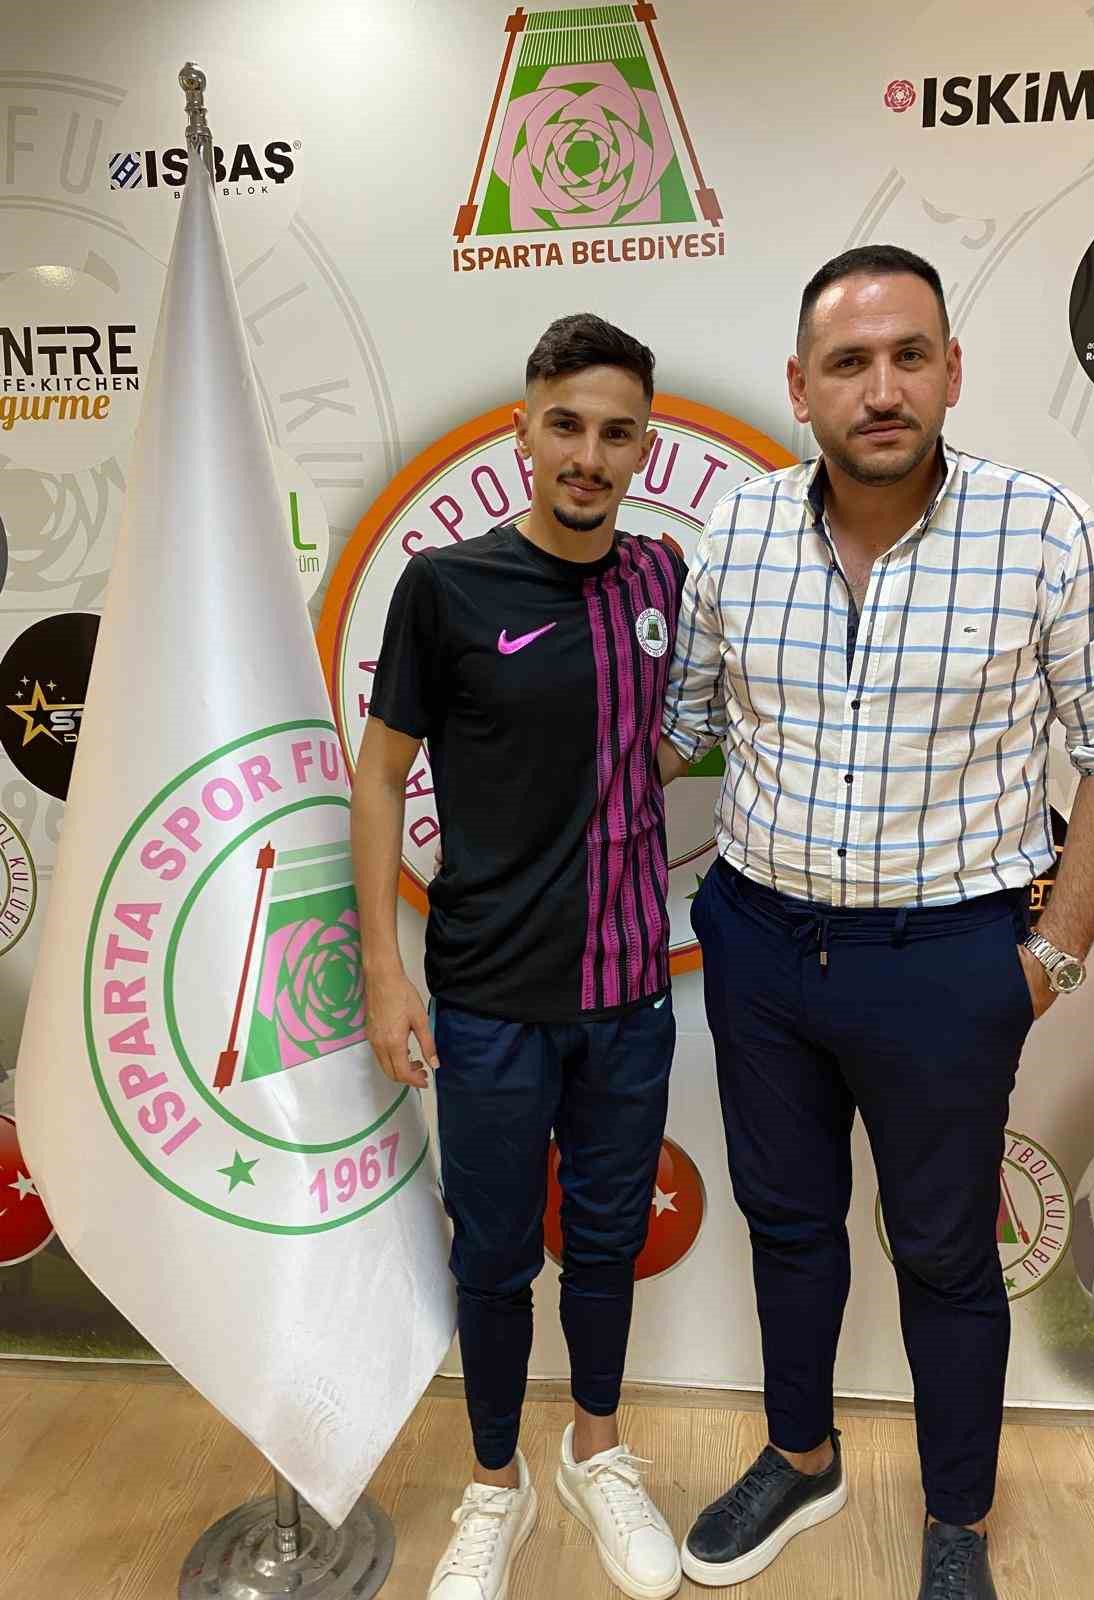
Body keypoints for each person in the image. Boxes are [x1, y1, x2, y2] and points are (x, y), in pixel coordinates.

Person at [658, 244, 1094, 1599]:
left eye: (908, 356)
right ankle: (801, 1455)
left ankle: (955, 1519)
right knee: (787, 1221)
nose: (880, 389)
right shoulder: (737, 536)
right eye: (849, 363)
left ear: (951, 370)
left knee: (945, 1253)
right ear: (800, 386)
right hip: (761, 943)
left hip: (950, 962)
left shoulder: (1044, 533)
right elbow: (682, 728)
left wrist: (1047, 960)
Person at [352, 312, 686, 1600]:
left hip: (629, 991)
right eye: (567, 426)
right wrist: (384, 970)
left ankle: (596, 1450)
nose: (589, 456)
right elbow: (379, 778)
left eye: (616, 433)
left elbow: (667, 737)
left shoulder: (662, 580)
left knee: (603, 1243)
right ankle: (496, 1484)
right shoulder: (446, 588)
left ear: (643, 446)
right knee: (490, 1255)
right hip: (487, 996)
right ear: (523, 431)